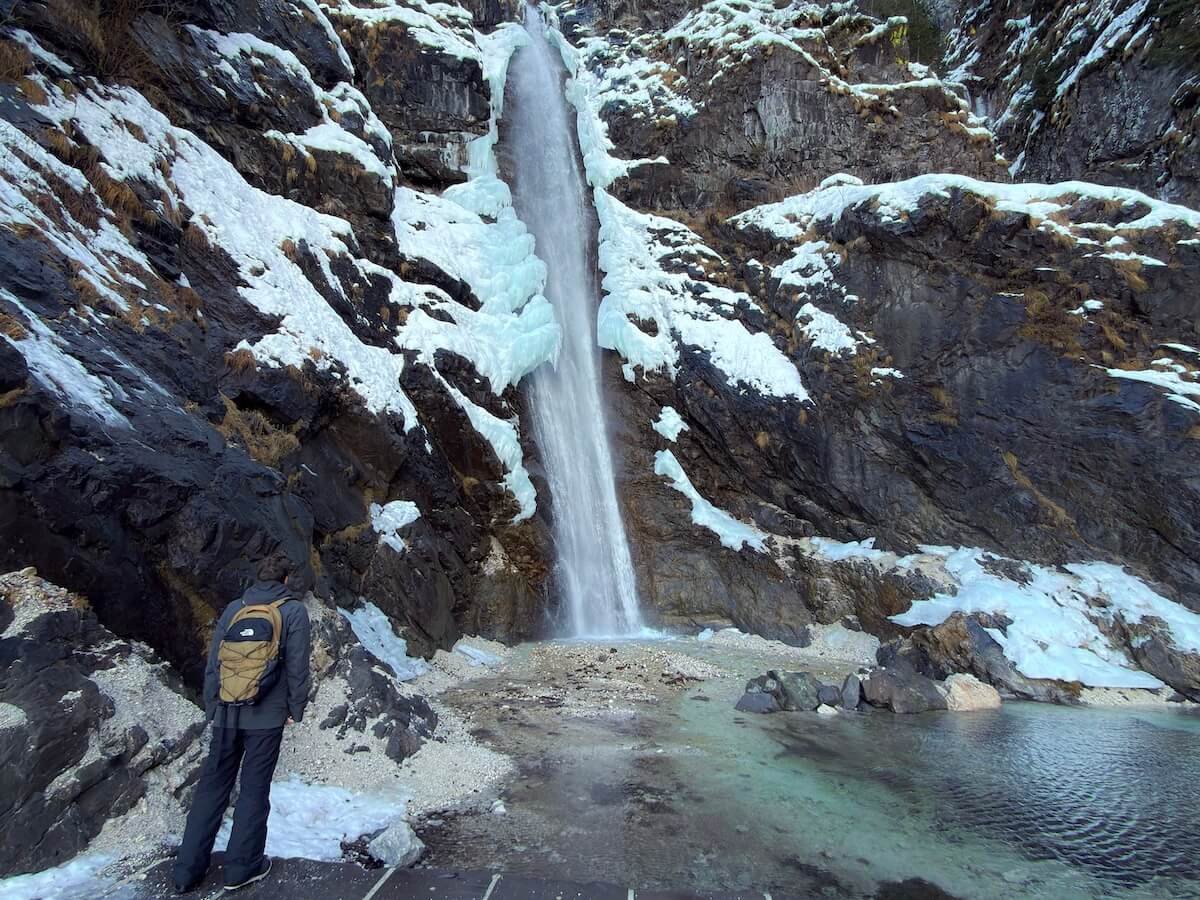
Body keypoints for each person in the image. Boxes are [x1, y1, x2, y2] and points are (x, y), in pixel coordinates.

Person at [172, 559, 311, 893]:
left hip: (225, 713)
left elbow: (214, 662)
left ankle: (186, 871)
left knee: (211, 787)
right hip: (266, 717)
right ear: (286, 579)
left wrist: (212, 705)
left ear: (256, 579)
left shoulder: (235, 609)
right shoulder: (293, 612)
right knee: (253, 789)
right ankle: (241, 868)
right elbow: (297, 667)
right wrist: (296, 708)